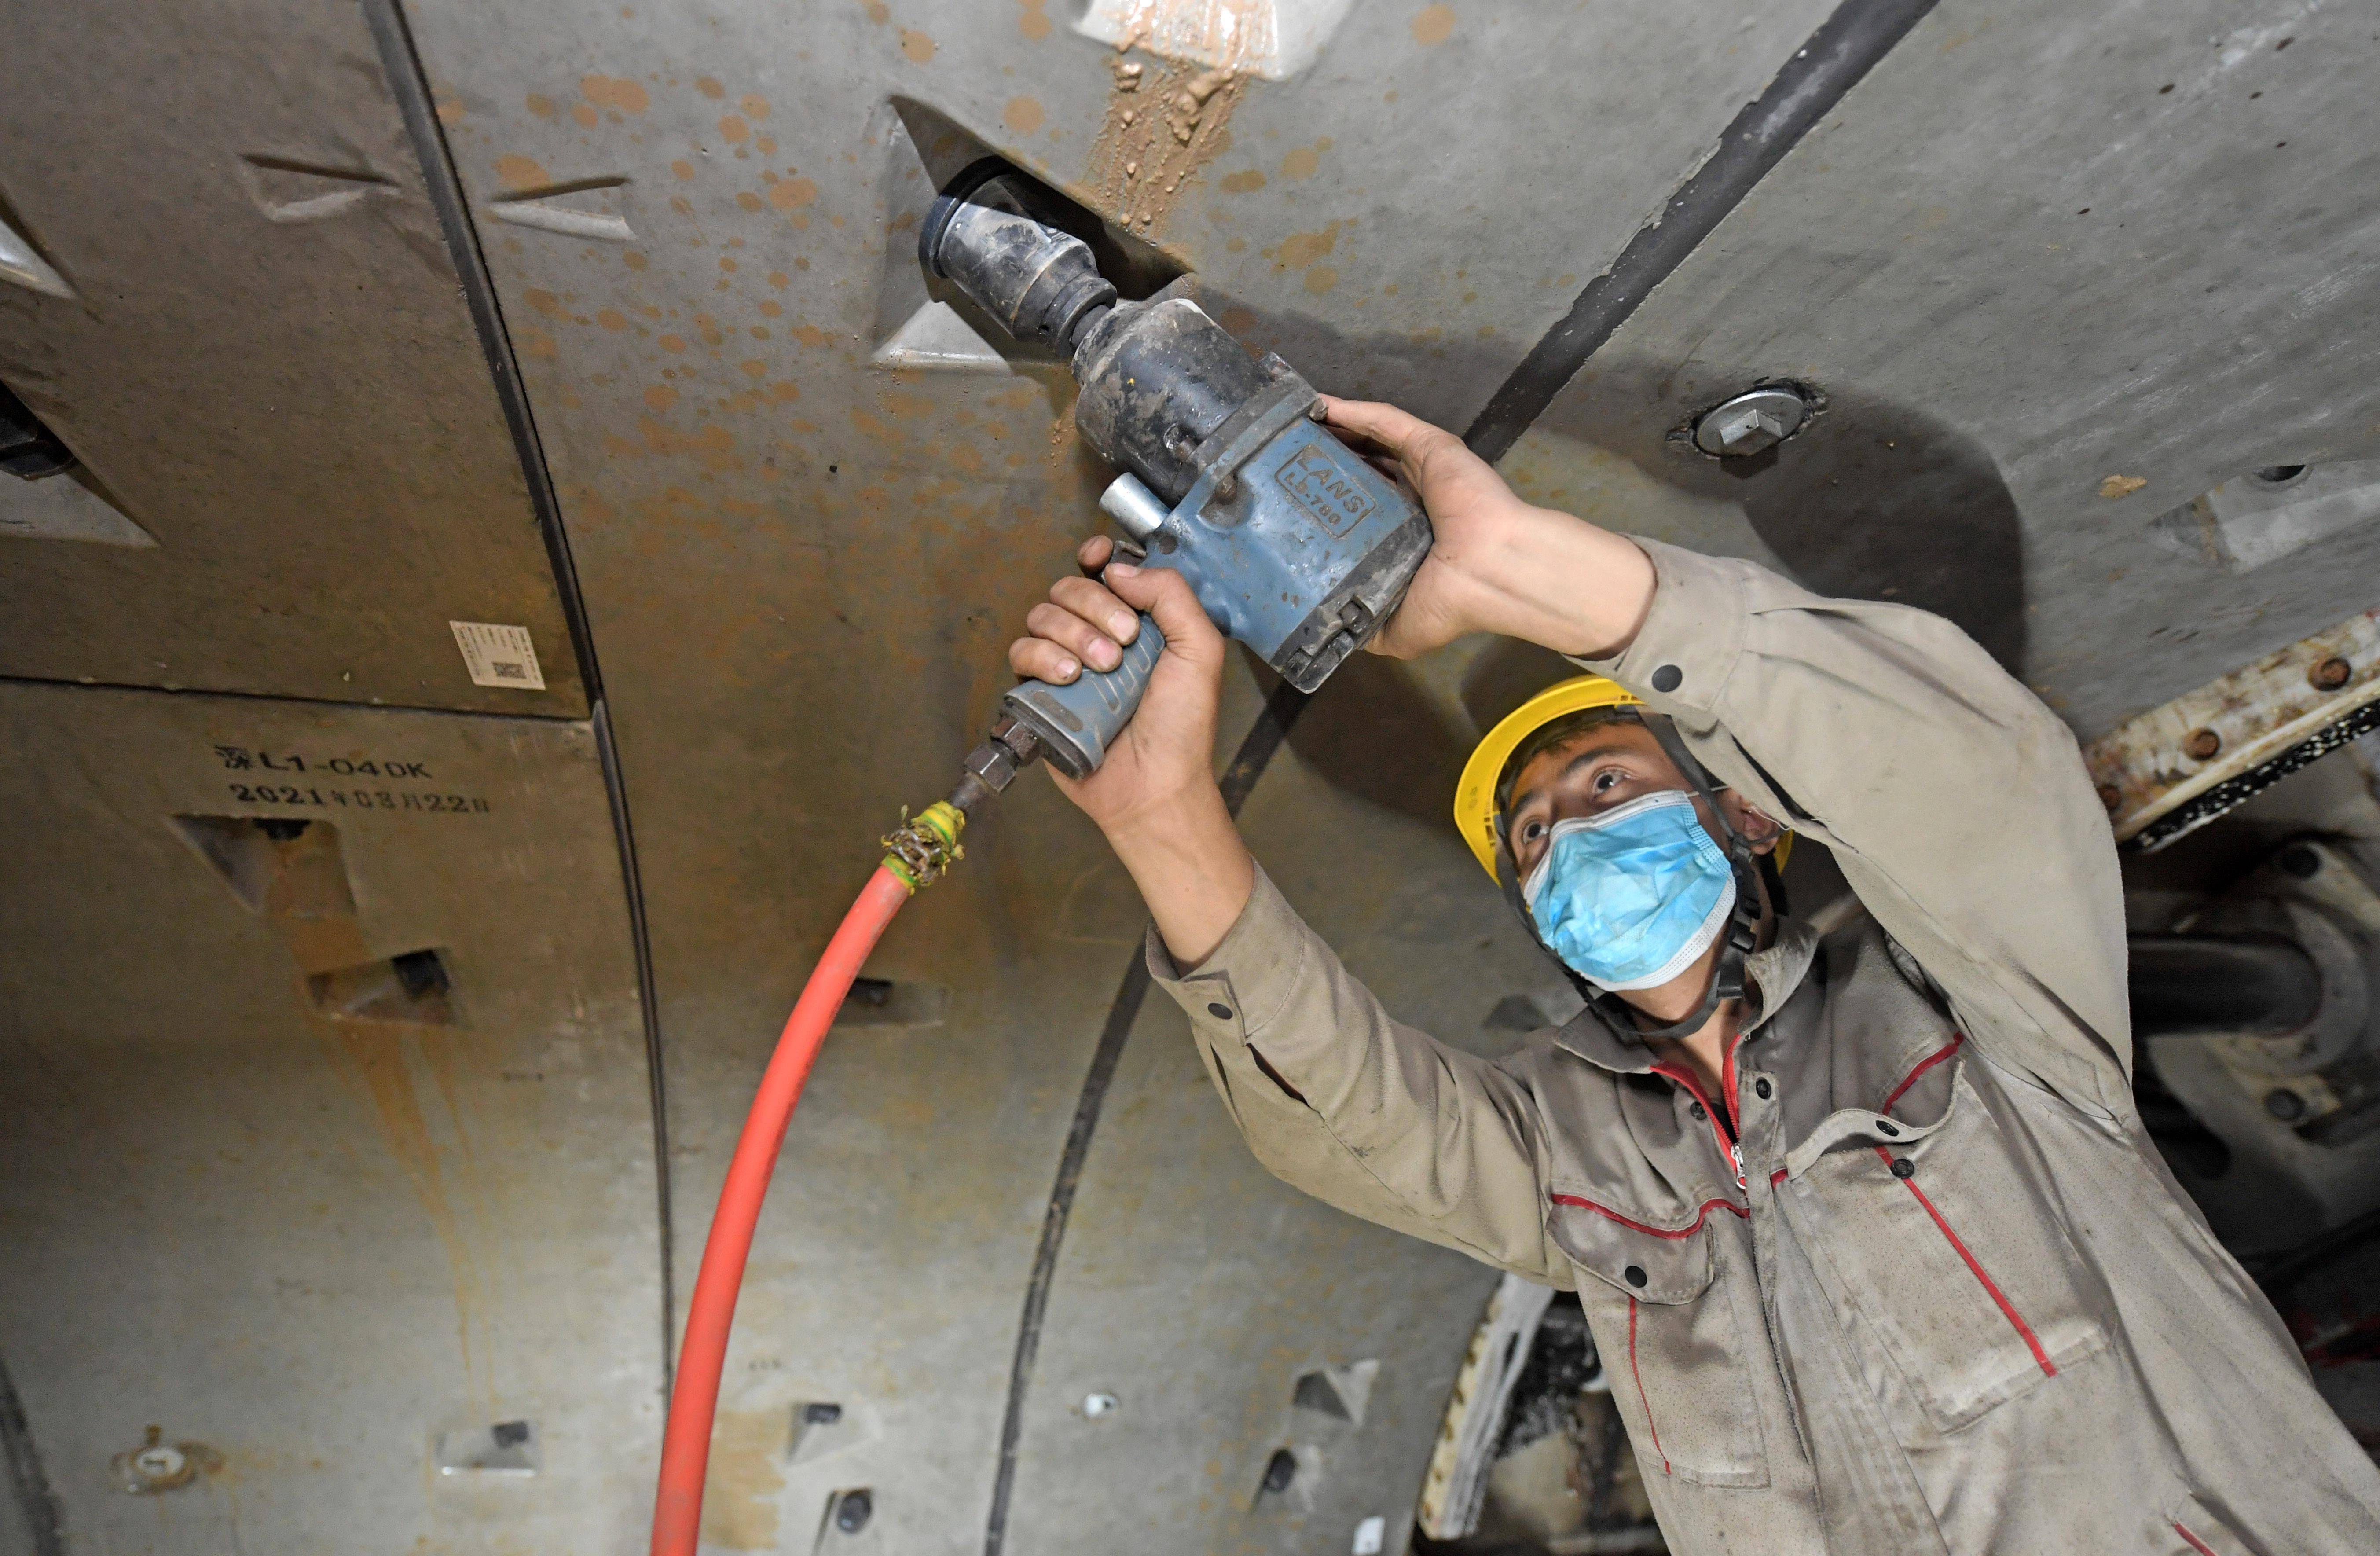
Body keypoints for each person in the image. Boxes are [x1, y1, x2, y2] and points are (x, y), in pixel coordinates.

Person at [1005, 397, 2380, 1554]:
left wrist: (1531, 575)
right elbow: (1354, 1123)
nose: (1578, 835)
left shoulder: (1980, 1015)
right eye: (1536, 835)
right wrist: (1160, 816)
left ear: (1743, 817)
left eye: (1610, 780)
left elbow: (1977, 786)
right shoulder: (1578, 1158)